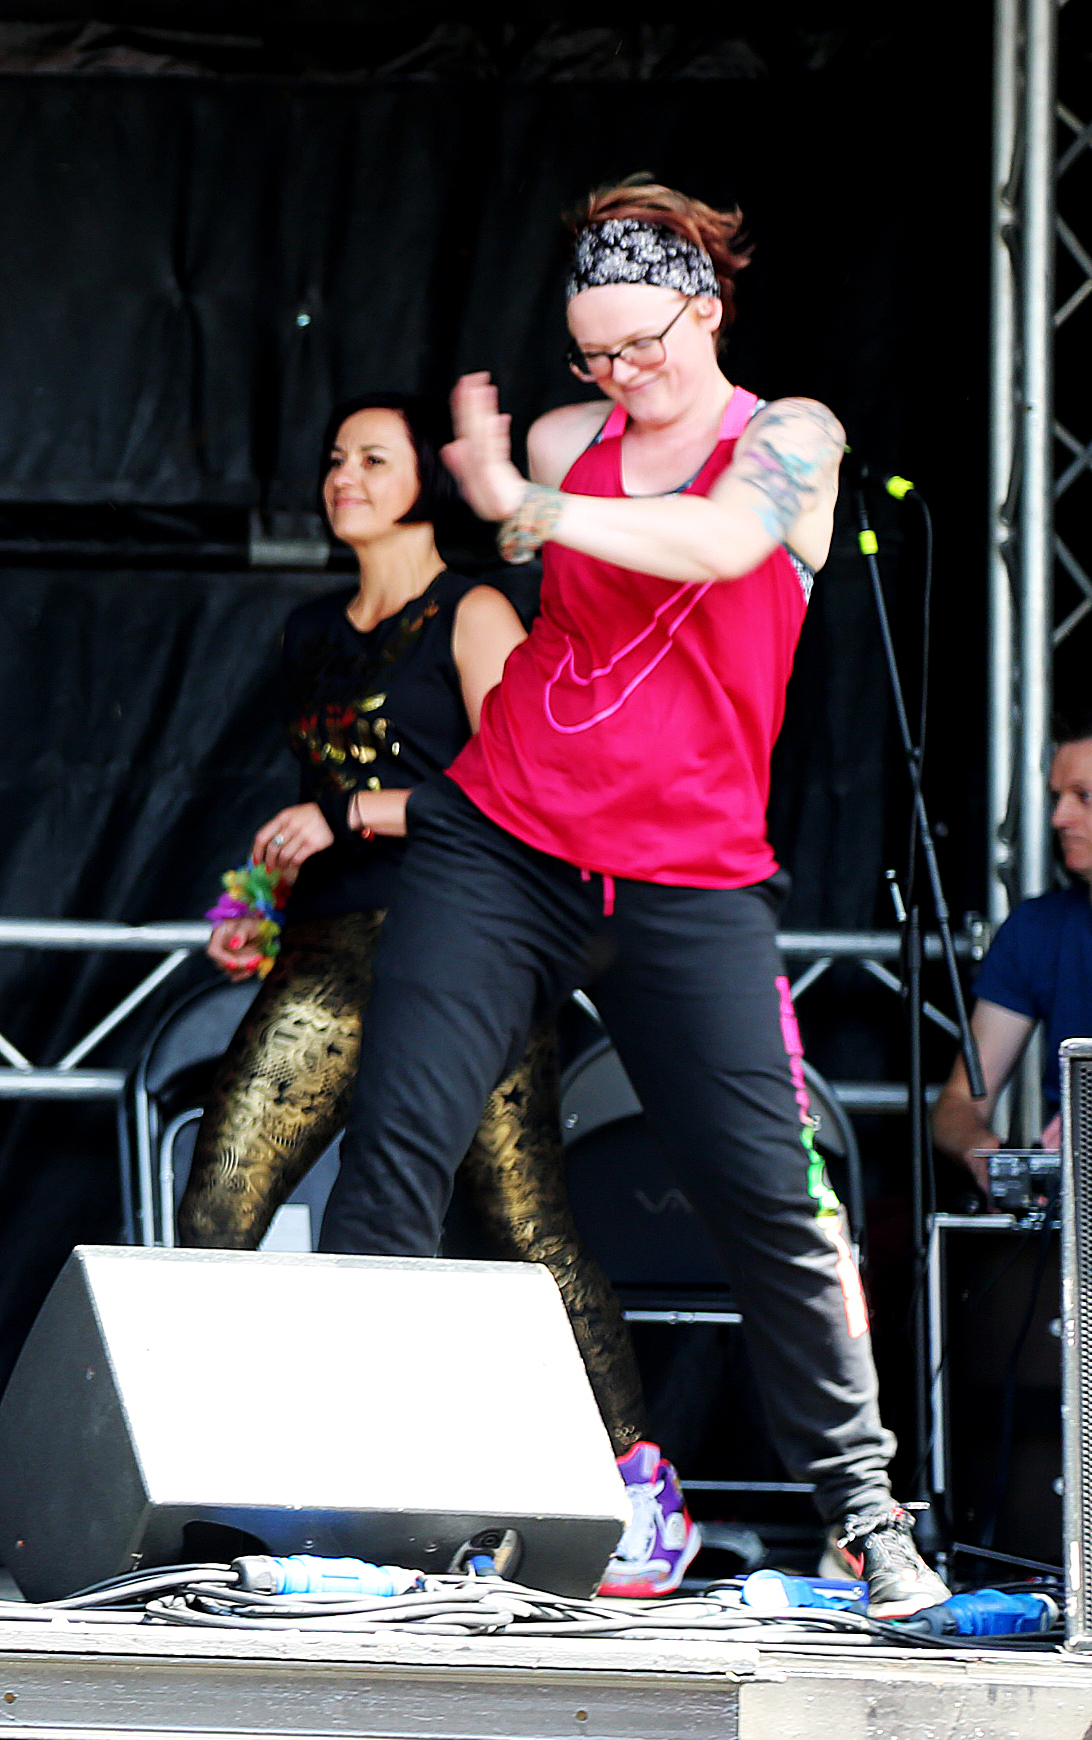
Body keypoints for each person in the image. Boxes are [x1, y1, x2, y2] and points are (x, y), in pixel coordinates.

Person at [315, 180, 950, 1617]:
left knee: (769, 1195)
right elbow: (551, 554)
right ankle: (352, 1501)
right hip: (505, 838)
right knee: (398, 1144)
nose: (617, 375)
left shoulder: (790, 437)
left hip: (691, 875)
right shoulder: (564, 439)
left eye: (642, 345)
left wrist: (526, 509)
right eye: (592, 353)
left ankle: (865, 1514)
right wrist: (522, 498)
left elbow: (722, 545)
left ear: (707, 310)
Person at [178, 391, 687, 1596]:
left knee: (518, 1220)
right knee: (220, 1200)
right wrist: (261, 896)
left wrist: (358, 812)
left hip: (462, 943)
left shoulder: (474, 610)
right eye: (332, 458)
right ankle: (207, 1480)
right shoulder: (312, 630)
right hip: (328, 948)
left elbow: (532, 783)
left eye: (373, 456)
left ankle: (639, 1482)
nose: (343, 475)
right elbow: (319, 807)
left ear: (425, 483)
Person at [932, 724, 1092, 1189]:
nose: (1059, 817)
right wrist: (984, 1153)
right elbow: (958, 1103)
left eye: (1084, 797)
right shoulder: (1036, 929)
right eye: (1056, 797)